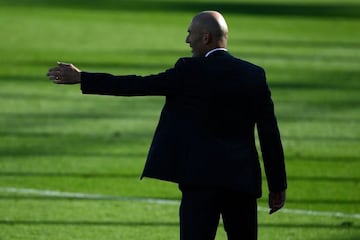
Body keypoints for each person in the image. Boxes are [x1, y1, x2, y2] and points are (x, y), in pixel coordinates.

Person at [47, 10, 287, 240]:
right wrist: (277, 186)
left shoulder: (189, 70)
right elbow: (269, 134)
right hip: (241, 183)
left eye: (190, 33)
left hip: (199, 183)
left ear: (206, 37)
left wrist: (83, 77)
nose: (187, 40)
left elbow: (138, 86)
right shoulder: (254, 75)